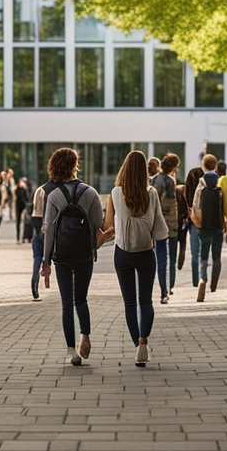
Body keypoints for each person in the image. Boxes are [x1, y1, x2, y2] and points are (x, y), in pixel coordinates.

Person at [102, 150, 169, 367]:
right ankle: (143, 342)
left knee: (130, 303)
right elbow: (160, 228)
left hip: (122, 253)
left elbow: (107, 225)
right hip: (146, 253)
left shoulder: (115, 192)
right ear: (144, 171)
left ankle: (137, 347)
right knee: (146, 300)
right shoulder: (151, 193)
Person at [41, 147, 108, 365]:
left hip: (62, 256)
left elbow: (49, 230)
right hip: (84, 255)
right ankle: (85, 335)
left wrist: (46, 261)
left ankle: (71, 351)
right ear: (74, 166)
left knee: (66, 303)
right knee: (81, 299)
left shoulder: (54, 195)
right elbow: (100, 224)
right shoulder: (90, 192)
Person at [191, 154, 227, 301]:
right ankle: (214, 285)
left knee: (203, 255)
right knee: (216, 257)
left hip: (204, 225)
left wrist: (198, 222)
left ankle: (203, 279)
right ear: (215, 166)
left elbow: (196, 205)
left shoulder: (201, 182)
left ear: (203, 166)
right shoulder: (221, 182)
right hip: (217, 225)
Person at [150, 153, 181, 304]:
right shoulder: (169, 181)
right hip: (170, 226)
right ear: (174, 167)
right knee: (169, 259)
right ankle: (166, 290)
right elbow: (169, 204)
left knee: (160, 259)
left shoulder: (154, 179)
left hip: (156, 225)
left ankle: (164, 290)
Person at [183, 166, 204, 287]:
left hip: (193, 224)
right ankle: (203, 278)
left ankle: (195, 282)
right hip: (205, 224)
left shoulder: (186, 191)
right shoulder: (205, 188)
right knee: (204, 252)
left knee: (195, 254)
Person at [30, 183, 48, 301]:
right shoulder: (50, 190)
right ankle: (36, 282)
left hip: (36, 224)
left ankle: (34, 281)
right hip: (45, 226)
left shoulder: (39, 190)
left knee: (37, 256)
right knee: (44, 256)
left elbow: (34, 211)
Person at [15, 178, 30, 244]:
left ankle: (23, 237)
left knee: (24, 223)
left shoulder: (24, 189)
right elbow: (16, 194)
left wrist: (25, 189)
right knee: (18, 222)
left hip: (23, 207)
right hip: (18, 207)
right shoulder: (17, 189)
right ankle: (18, 238)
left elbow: (27, 198)